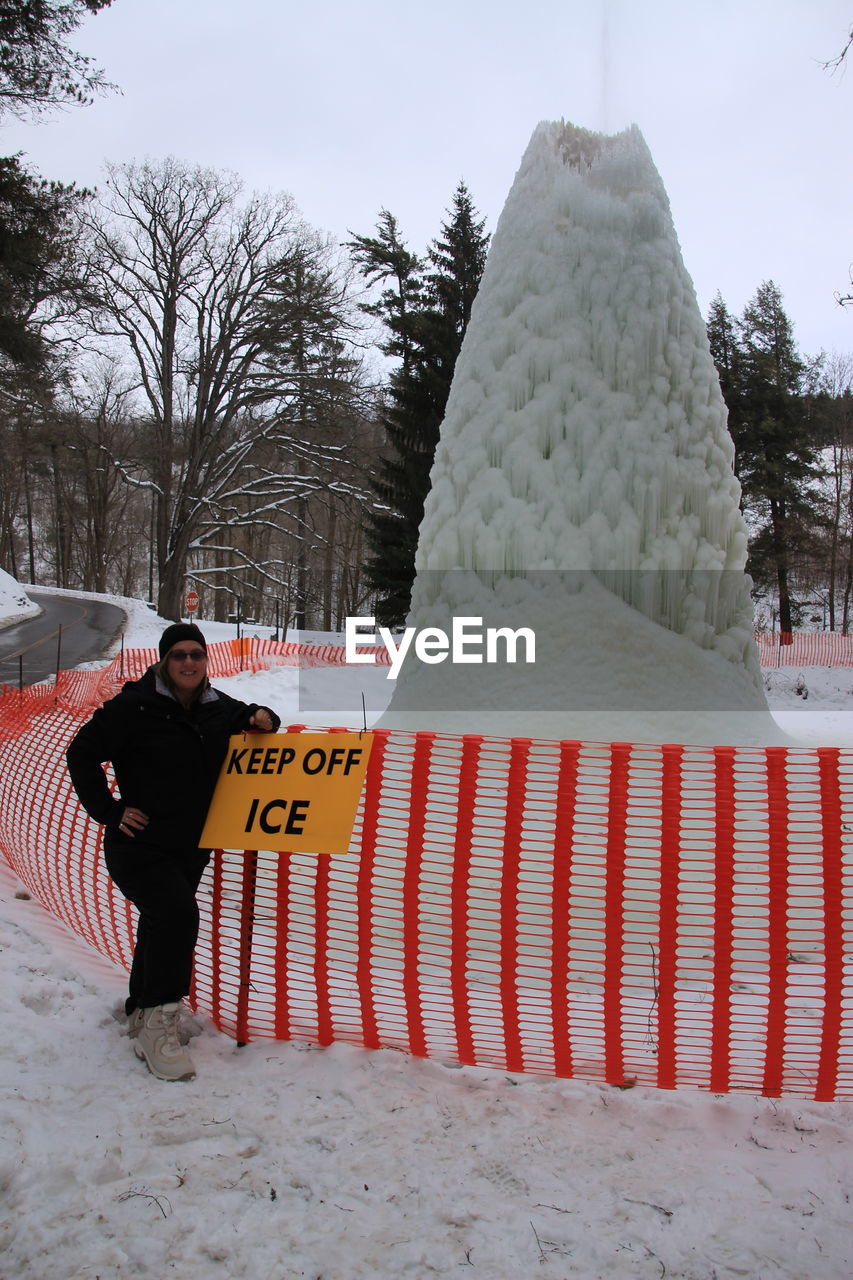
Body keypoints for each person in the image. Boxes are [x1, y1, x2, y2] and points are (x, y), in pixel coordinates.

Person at [66, 622, 281, 1082]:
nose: (188, 663)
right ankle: (160, 1021)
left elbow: (258, 716)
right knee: (179, 915)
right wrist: (110, 809)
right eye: (179, 655)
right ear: (164, 661)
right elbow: (80, 752)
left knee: (162, 919)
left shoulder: (216, 708)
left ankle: (141, 1010)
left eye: (196, 655)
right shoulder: (133, 707)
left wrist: (262, 717)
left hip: (189, 847)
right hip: (137, 846)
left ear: (206, 662)